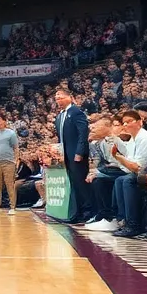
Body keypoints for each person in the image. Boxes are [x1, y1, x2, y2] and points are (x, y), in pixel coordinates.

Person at [54, 88, 92, 224]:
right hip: (65, 155)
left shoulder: (76, 112)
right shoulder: (59, 116)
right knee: (72, 184)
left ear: (69, 97)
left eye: (61, 97)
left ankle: (87, 212)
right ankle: (76, 212)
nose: (58, 100)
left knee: (80, 183)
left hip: (75, 154)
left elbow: (83, 133)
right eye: (56, 98)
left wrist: (80, 152)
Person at [0, 114, 19, 214]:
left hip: (9, 162)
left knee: (10, 184)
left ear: (5, 121)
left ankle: (12, 207)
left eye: (0, 120)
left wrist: (16, 160)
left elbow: (16, 147)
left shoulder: (11, 133)